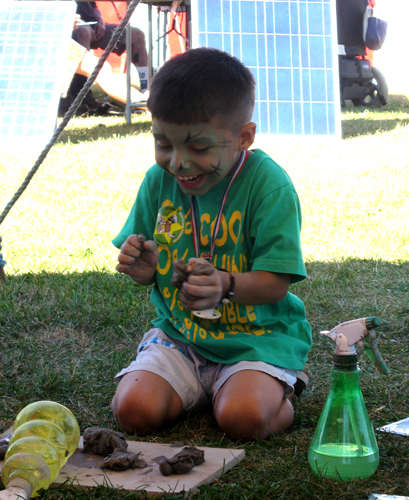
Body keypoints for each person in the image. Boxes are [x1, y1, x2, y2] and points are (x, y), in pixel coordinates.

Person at [111, 48, 312, 442]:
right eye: (164, 144)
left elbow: (276, 284)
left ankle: (274, 390)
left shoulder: (269, 185)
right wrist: (144, 270)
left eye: (199, 148)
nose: (178, 163)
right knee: (132, 410)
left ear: (244, 137)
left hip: (257, 341)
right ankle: (208, 387)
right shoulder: (158, 181)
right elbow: (148, 271)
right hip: (181, 337)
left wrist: (225, 285)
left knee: (243, 419)